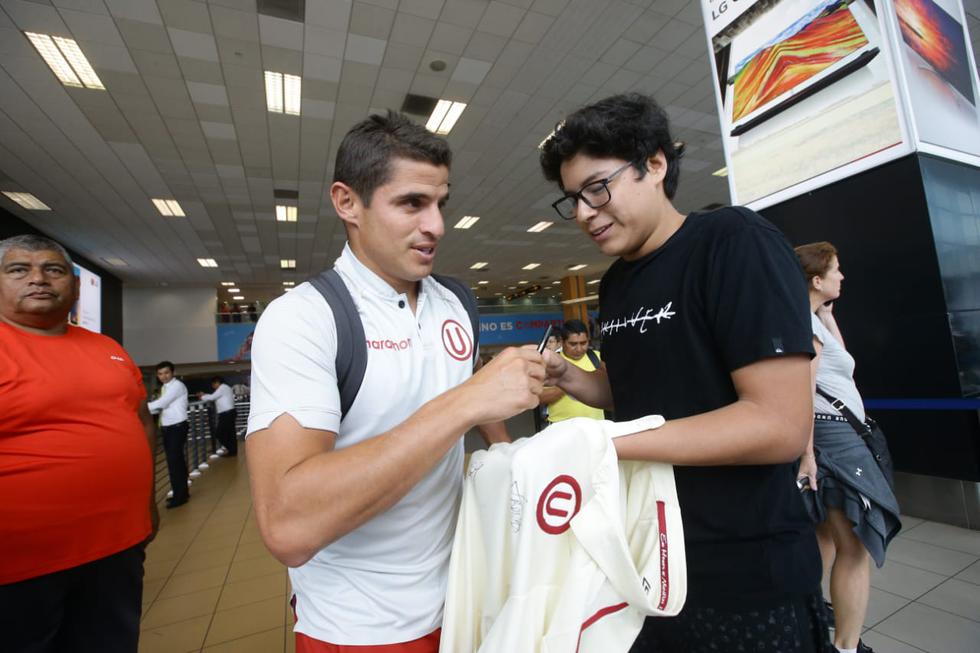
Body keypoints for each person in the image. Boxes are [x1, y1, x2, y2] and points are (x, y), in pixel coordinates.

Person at [539, 93, 830, 652]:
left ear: (655, 164)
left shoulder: (734, 243)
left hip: (744, 573)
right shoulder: (617, 282)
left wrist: (602, 444)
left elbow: (778, 424)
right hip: (647, 562)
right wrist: (570, 378)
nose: (583, 212)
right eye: (572, 199)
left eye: (597, 188)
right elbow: (639, 394)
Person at [245, 111, 545, 653]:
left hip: (466, 593)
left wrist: (505, 454)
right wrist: (465, 403)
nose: (436, 225)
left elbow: (464, 392)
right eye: (412, 203)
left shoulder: (454, 300)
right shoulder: (304, 319)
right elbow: (287, 525)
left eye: (440, 203)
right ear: (347, 203)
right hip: (364, 624)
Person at [0, 234, 157, 652]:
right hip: (20, 566)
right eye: (19, 269)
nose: (38, 279)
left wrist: (147, 504)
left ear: (72, 284)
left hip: (116, 548)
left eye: (53, 270)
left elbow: (141, 422)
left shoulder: (108, 349)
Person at [795, 242, 901, 653]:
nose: (843, 277)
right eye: (836, 270)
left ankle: (808, 616)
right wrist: (806, 454)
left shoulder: (813, 321)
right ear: (817, 279)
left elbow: (844, 362)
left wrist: (827, 313)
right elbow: (804, 391)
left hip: (835, 434)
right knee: (853, 544)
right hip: (831, 437)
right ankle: (845, 646)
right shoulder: (804, 325)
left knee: (825, 534)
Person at [539, 319, 605, 423]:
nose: (579, 349)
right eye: (573, 344)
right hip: (561, 427)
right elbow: (539, 398)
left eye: (583, 343)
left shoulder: (598, 358)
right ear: (562, 342)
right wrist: (568, 384)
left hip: (596, 427)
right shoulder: (552, 362)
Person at [148, 361, 190, 508]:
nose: (163, 376)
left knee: (174, 463)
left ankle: (179, 497)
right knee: (176, 462)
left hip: (176, 427)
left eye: (166, 373)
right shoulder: (165, 388)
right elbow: (159, 406)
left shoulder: (176, 386)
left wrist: (138, 407)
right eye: (160, 374)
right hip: (168, 428)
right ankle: (182, 492)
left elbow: (162, 403)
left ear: (173, 373)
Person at [197, 375, 237, 457]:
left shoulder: (222, 388)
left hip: (226, 414)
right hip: (230, 412)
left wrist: (202, 396)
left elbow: (212, 397)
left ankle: (231, 449)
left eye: (213, 384)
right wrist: (205, 395)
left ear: (217, 382)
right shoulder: (226, 387)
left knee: (220, 433)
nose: (213, 386)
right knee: (230, 433)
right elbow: (214, 396)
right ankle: (232, 451)